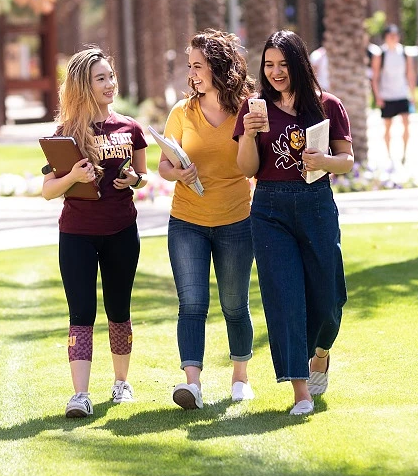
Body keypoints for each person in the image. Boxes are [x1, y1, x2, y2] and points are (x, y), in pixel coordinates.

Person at [234, 30, 354, 416]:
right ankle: (300, 392)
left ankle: (321, 351)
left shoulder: (327, 105)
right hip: (270, 208)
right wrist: (250, 135)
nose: (275, 72)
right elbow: (247, 169)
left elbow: (347, 160)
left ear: (298, 65)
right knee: (284, 296)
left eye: (283, 65)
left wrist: (323, 163)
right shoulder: (254, 109)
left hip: (317, 205)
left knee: (329, 297)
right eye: (268, 65)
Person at [41, 47, 148, 418]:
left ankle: (121, 384)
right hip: (77, 235)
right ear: (83, 86)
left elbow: (143, 177)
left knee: (120, 309)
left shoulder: (130, 128)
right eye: (100, 78)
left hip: (121, 229)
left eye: (110, 76)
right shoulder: (64, 134)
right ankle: (80, 396)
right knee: (81, 312)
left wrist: (132, 180)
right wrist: (73, 176)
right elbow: (48, 190)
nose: (110, 84)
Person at [159, 30, 257, 409]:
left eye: (198, 66)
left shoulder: (248, 109)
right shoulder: (181, 112)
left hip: (236, 219)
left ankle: (240, 378)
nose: (192, 74)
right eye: (190, 66)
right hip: (187, 220)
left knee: (234, 304)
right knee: (192, 303)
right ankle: (193, 385)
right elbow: (164, 164)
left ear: (218, 67)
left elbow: (256, 162)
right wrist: (176, 173)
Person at [371, 24, 415, 165]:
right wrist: (378, 96)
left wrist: (412, 93)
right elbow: (375, 76)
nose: (394, 38)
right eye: (391, 35)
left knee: (406, 123)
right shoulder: (380, 54)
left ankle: (405, 154)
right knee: (388, 126)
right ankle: (389, 155)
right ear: (386, 37)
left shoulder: (405, 53)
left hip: (402, 93)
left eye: (396, 35)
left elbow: (410, 74)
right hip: (387, 95)